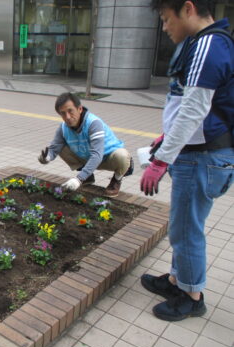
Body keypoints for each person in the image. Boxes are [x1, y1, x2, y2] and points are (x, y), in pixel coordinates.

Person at [140, 0, 233, 321]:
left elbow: (194, 110)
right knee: (184, 225)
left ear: (188, 8)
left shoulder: (207, 44)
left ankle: (191, 296)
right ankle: (177, 280)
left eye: (167, 19)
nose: (165, 28)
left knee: (185, 230)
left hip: (201, 158)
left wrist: (161, 160)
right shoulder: (205, 43)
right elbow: (194, 107)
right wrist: (167, 139)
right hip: (198, 154)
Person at [38, 92, 133, 197]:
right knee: (62, 147)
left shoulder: (93, 123)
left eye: (70, 111)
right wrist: (46, 157)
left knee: (122, 156)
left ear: (80, 109)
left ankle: (116, 180)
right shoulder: (63, 128)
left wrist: (79, 179)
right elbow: (54, 148)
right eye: (63, 113)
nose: (67, 117)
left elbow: (97, 155)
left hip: (108, 158)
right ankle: (88, 177)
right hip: (88, 157)